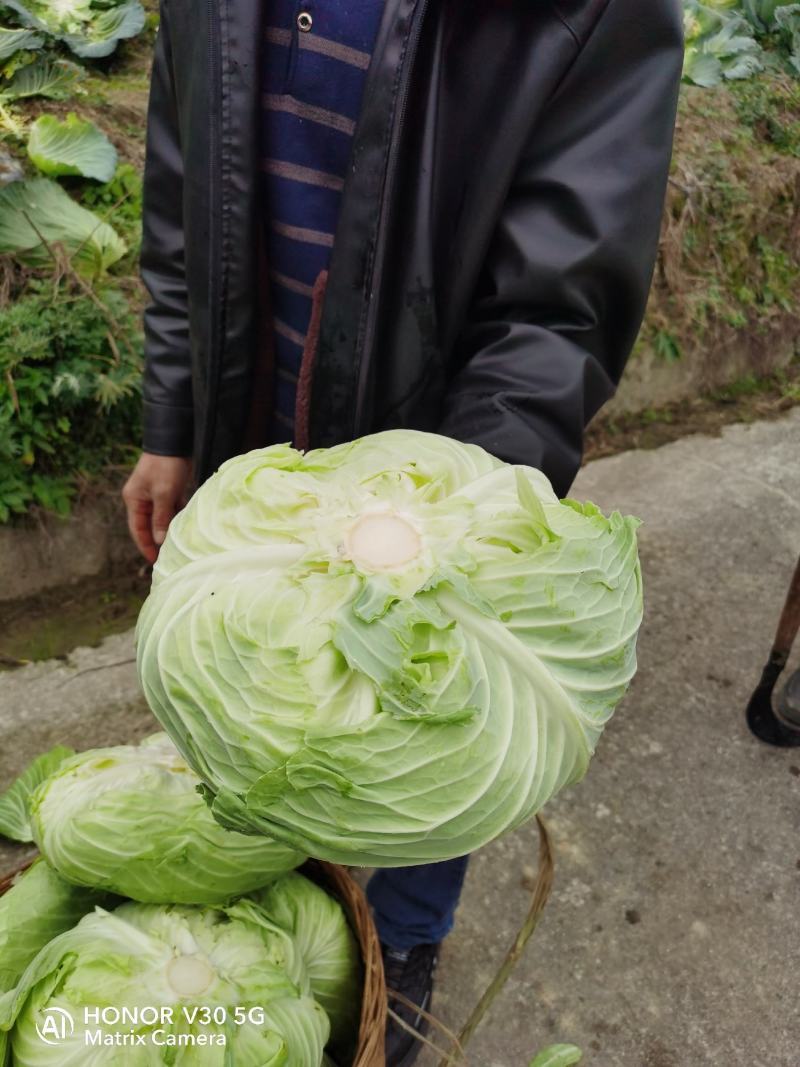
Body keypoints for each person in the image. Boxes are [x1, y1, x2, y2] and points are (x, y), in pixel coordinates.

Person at [123, 2, 685, 1062]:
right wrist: (170, 418)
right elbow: (179, 188)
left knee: (421, 741)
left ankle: (407, 936)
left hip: (433, 485)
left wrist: (433, 536)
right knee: (268, 735)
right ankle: (280, 911)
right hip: (249, 446)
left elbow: (552, 313)